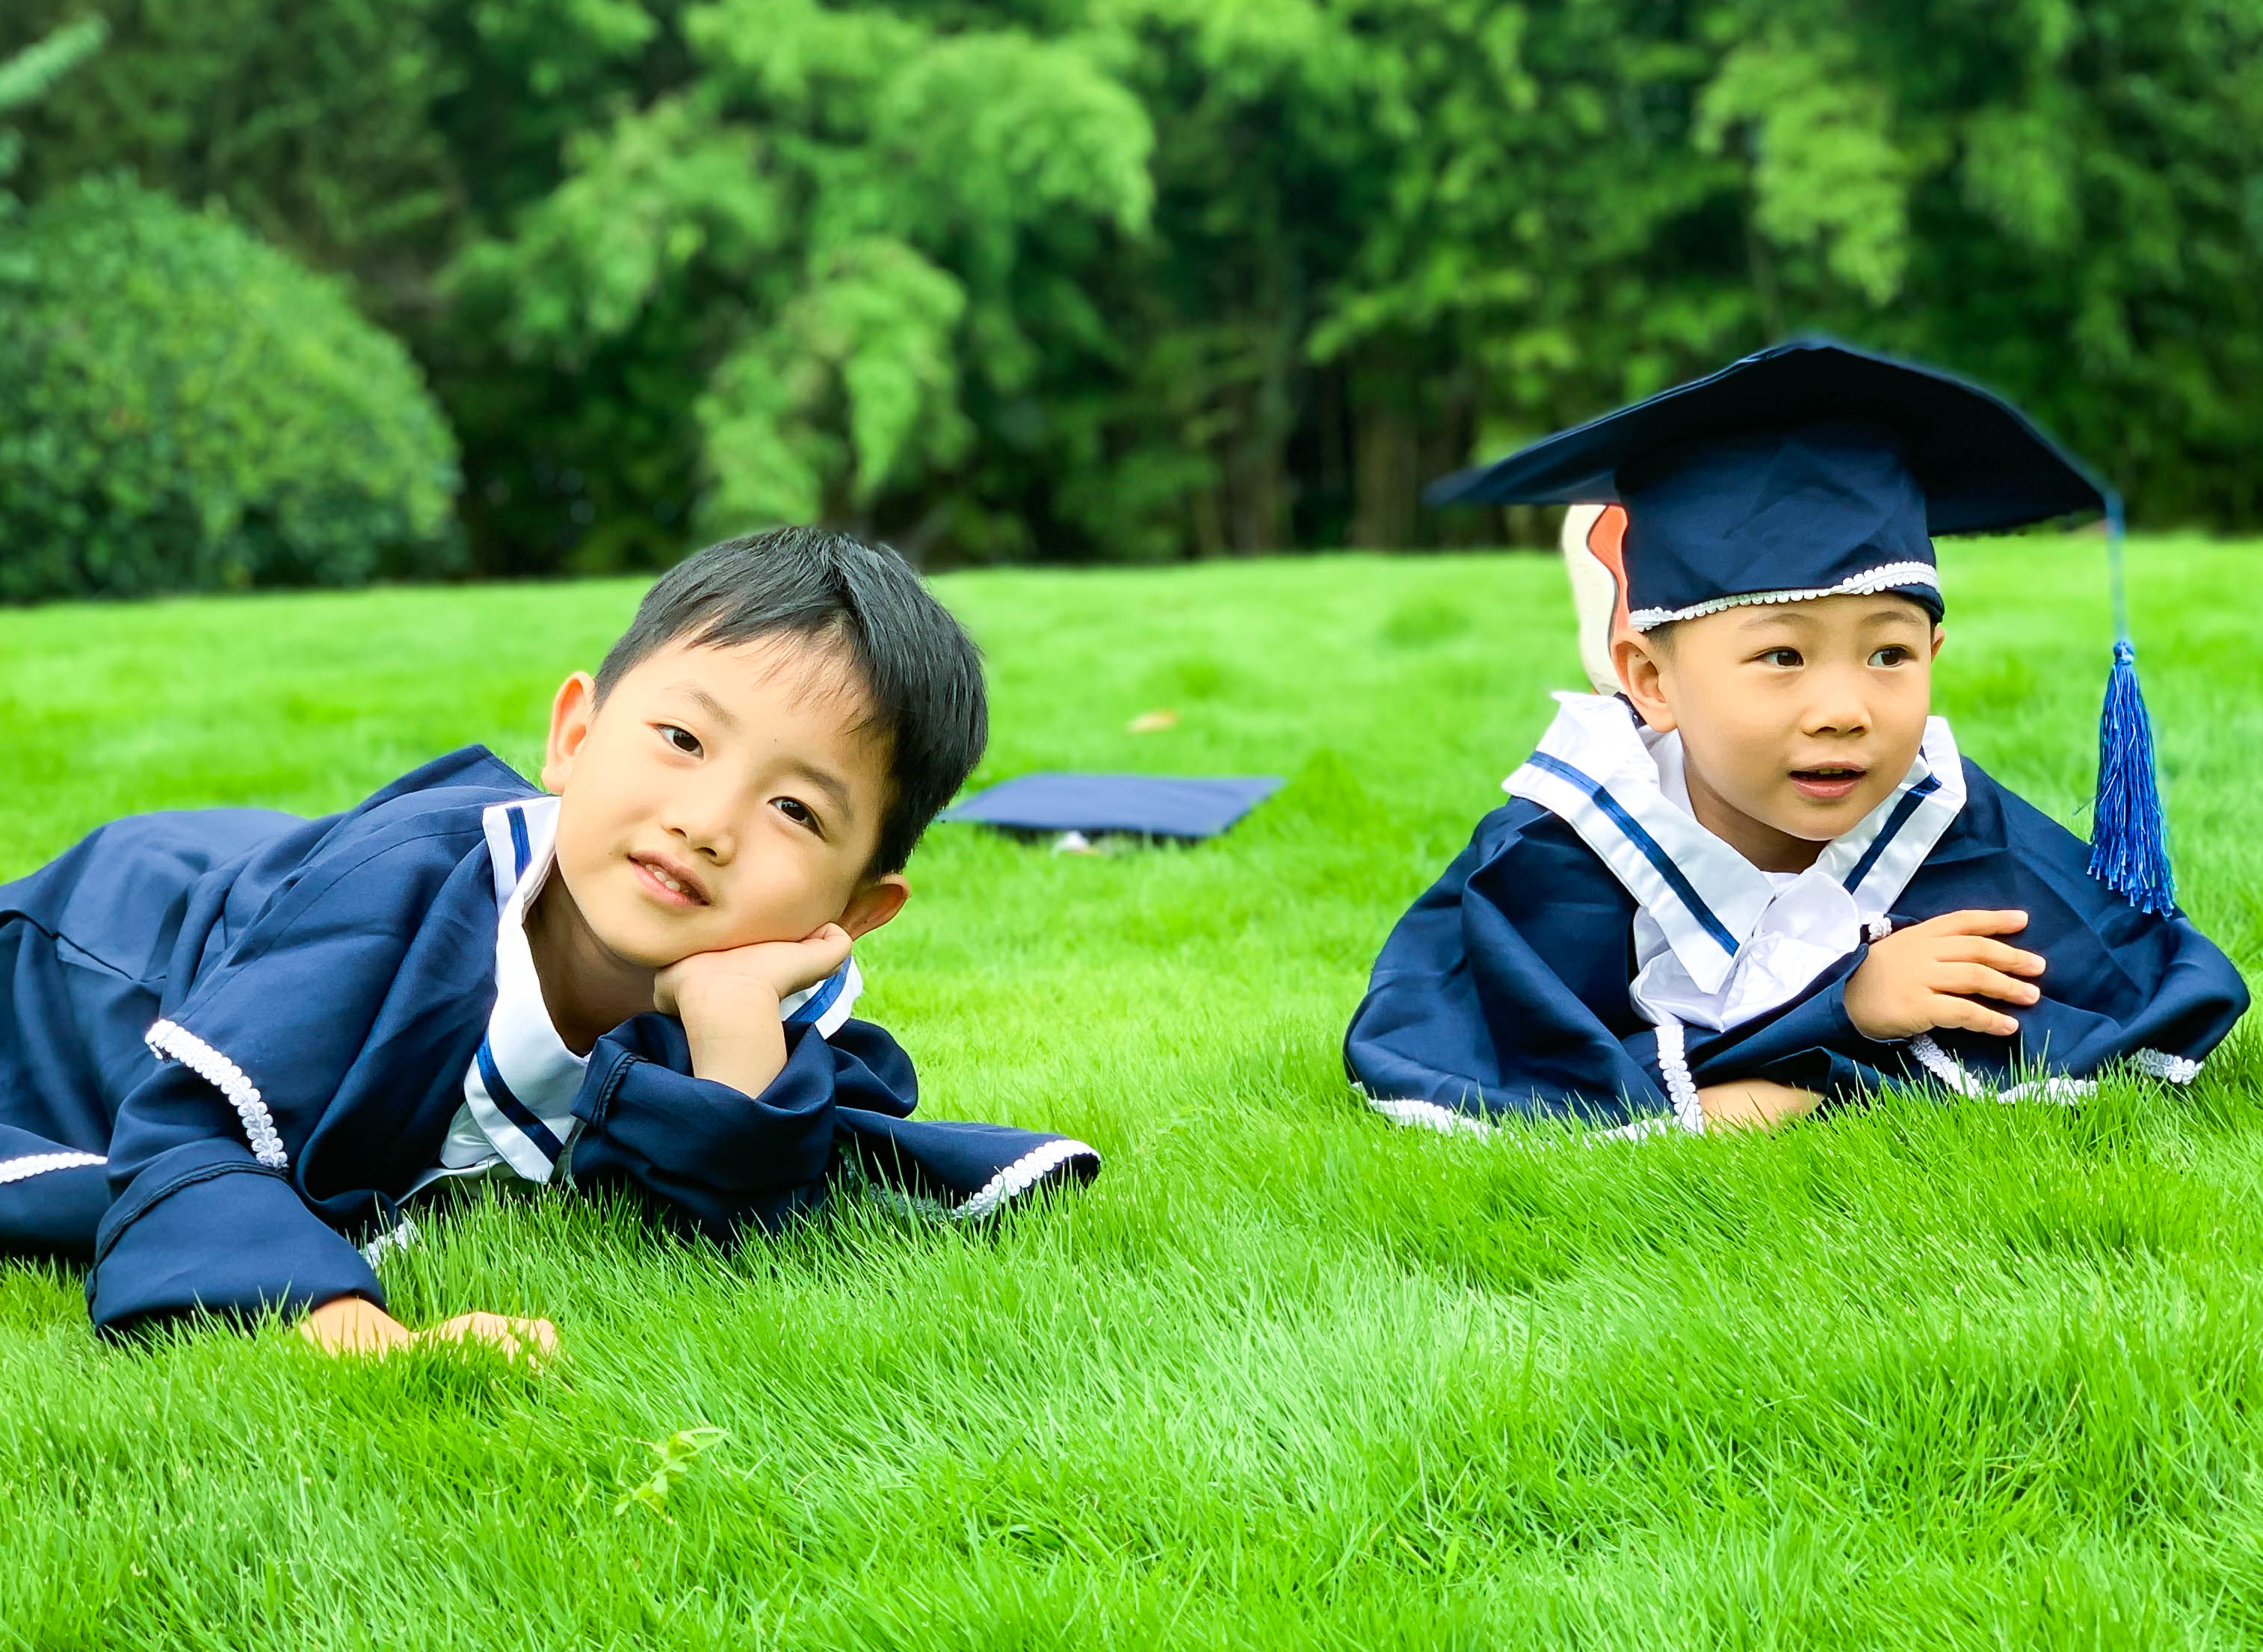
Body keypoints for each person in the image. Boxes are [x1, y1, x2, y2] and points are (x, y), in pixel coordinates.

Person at [0, 528, 1098, 1349]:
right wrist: (358, 1329)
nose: (708, 822)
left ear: (856, 910)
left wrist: (729, 1031)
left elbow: (742, 1214)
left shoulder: (768, 981)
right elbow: (187, 1138)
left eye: (796, 811)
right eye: (681, 738)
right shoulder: (397, 894)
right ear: (574, 733)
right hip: (97, 952)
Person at [1346, 338, 2248, 1136]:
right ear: (1650, 680)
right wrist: (1838, 1012)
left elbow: (2124, 1007)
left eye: (1889, 652)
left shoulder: (1940, 818)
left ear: (1935, 651)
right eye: (1781, 654)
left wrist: (1868, 1028)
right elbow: (1472, 1055)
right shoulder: (1559, 849)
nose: (1843, 708)